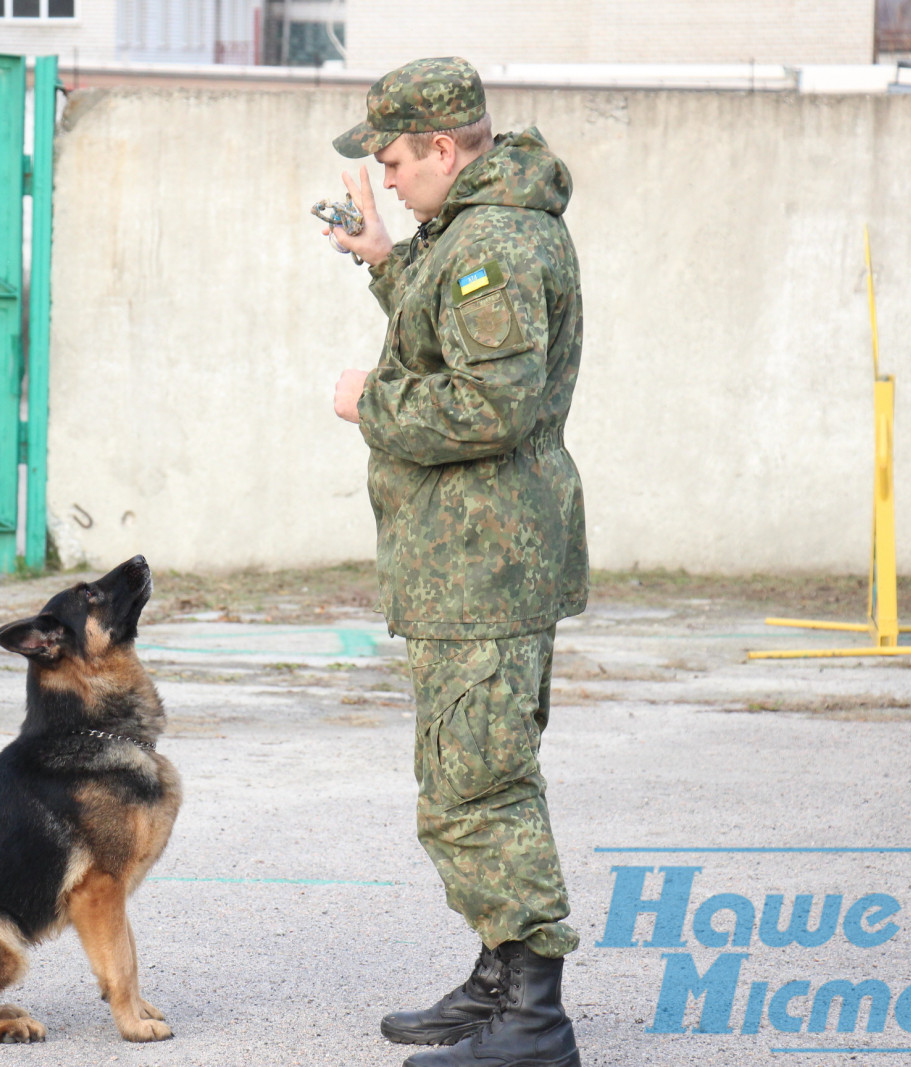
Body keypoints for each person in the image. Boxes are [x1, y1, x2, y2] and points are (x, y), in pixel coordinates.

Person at [321, 57, 588, 1067]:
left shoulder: (496, 245)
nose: (385, 177)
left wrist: (367, 402)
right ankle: (497, 978)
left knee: (479, 787)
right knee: (468, 773)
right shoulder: (470, 235)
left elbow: (488, 404)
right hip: (464, 557)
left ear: (441, 147)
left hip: (486, 558)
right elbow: (456, 343)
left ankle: (531, 1020)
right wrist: (384, 258)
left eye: (393, 160)